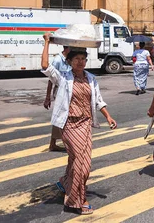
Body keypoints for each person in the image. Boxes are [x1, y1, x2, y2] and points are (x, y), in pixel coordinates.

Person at [40, 33, 117, 216]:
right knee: (81, 165)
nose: (80, 62)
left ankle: (65, 182)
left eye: (83, 59)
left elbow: (98, 100)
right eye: (76, 59)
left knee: (81, 162)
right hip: (69, 125)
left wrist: (108, 117)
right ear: (70, 60)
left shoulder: (91, 78)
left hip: (85, 124)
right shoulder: (63, 78)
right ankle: (75, 201)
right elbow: (45, 66)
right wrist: (46, 42)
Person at [44, 45, 70, 152]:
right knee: (62, 117)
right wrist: (47, 97)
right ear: (67, 48)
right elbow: (51, 79)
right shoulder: (58, 60)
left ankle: (53, 143)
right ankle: (60, 143)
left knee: (62, 117)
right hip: (60, 93)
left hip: (68, 92)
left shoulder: (70, 59)